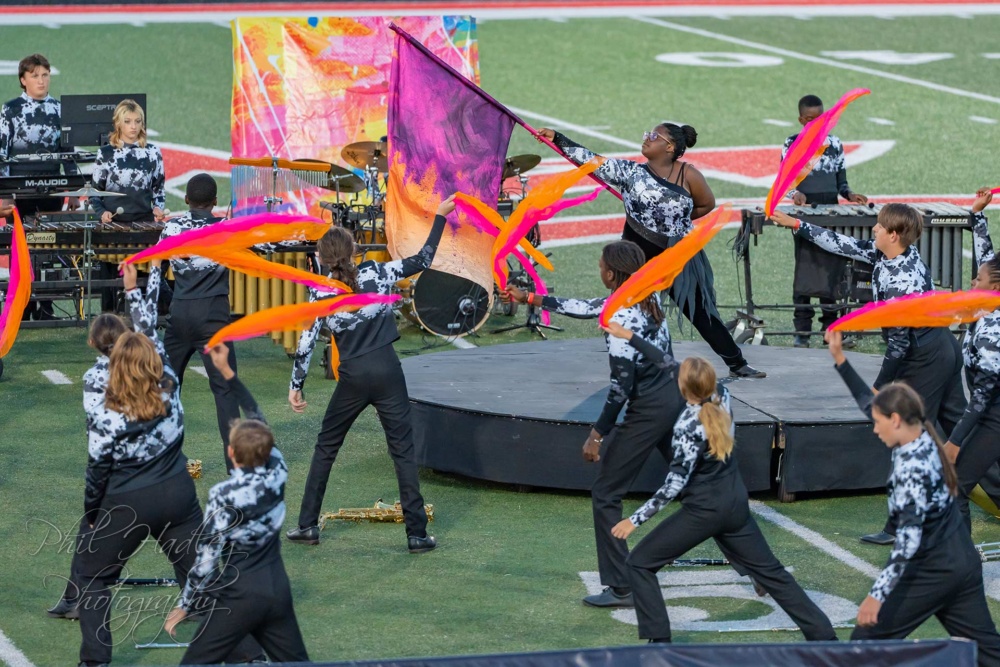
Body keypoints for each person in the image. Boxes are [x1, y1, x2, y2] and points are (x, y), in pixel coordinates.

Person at [75, 263, 263, 666]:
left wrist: (92, 513)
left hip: (125, 500)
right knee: (205, 579)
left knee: (92, 577)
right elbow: (148, 334)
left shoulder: (101, 391)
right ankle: (248, 655)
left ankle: (94, 661)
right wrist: (134, 290)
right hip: (177, 493)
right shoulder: (168, 378)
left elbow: (98, 461)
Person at [603, 334, 837, 643]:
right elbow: (669, 363)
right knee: (773, 574)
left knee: (639, 564)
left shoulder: (687, 424)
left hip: (704, 511)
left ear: (684, 388)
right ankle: (825, 638)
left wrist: (634, 521)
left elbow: (675, 483)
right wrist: (631, 336)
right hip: (735, 505)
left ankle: (659, 644)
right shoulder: (722, 397)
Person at [770, 203, 967, 545]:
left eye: (878, 226)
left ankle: (897, 527)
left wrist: (879, 386)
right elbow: (842, 244)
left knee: (907, 438)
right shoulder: (888, 254)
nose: (872, 229)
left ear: (894, 235)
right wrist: (797, 224)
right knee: (961, 429)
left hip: (926, 358)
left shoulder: (900, 280)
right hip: (941, 346)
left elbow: (899, 345)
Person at [504, 240, 685, 608]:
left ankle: (621, 586)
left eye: (601, 266)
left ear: (611, 274)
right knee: (697, 483)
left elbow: (620, 389)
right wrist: (530, 298)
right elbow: (587, 307)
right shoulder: (646, 295)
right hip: (675, 397)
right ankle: (753, 564)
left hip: (648, 410)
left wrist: (597, 434)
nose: (598, 270)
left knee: (606, 494)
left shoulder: (619, 319)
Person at [284, 197, 456, 552]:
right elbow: (423, 259)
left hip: (353, 376)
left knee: (326, 447)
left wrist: (296, 386)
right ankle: (416, 534)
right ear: (353, 250)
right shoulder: (376, 272)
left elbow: (306, 343)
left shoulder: (321, 291)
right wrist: (439, 217)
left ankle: (307, 526)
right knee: (402, 451)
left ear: (322, 259)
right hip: (388, 369)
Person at [535, 124, 765, 379]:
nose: (646, 138)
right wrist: (558, 138)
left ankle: (737, 363)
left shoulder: (688, 174)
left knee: (702, 313)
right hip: (635, 260)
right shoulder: (630, 172)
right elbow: (591, 160)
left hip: (676, 258)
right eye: (647, 134)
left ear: (670, 147)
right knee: (623, 311)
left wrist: (677, 223)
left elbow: (706, 204)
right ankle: (628, 367)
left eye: (654, 136)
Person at [827, 330, 1000, 666]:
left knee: (864, 643)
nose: (873, 428)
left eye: (878, 423)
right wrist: (839, 359)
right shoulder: (923, 437)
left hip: (934, 570)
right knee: (988, 653)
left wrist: (876, 596)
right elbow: (868, 403)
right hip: (963, 563)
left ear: (895, 420)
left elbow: (907, 540)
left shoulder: (911, 467)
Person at [164, 344, 309, 664]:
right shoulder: (278, 471)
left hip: (241, 594)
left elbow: (206, 560)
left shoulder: (223, 494)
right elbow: (257, 417)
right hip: (277, 588)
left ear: (231, 454)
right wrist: (229, 373)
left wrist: (185, 606)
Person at [46, 313, 128, 621]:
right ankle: (201, 596)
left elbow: (98, 431)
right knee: (178, 532)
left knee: (92, 532)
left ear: (91, 342)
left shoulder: (94, 376)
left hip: (113, 468)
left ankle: (77, 598)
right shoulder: (142, 366)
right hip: (149, 465)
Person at [159, 173, 243, 471]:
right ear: (215, 201)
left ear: (186, 200)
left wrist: (171, 300)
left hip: (180, 317)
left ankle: (160, 463)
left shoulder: (171, 227)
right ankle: (236, 472)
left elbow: (156, 272)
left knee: (165, 389)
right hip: (214, 320)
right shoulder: (226, 229)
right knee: (226, 393)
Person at [782, 94, 868, 348]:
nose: (816, 123)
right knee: (805, 271)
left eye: (820, 118)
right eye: (810, 119)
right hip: (804, 214)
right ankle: (802, 330)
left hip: (831, 214)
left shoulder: (835, 143)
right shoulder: (792, 143)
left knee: (833, 272)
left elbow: (841, 182)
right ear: (801, 120)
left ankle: (830, 327)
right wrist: (795, 194)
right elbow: (784, 182)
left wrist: (850, 194)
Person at [0, 53, 80, 319]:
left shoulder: (60, 109)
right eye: (35, 76)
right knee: (20, 248)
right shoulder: (10, 109)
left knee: (48, 246)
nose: (41, 80)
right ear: (23, 80)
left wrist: (73, 192)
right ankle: (22, 307)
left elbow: (68, 154)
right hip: (19, 190)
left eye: (45, 75)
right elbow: (1, 154)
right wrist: (4, 194)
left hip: (52, 189)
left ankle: (45, 306)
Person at [945, 188, 1000, 531]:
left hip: (993, 419)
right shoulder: (988, 308)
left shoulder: (993, 330)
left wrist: (954, 441)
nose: (971, 282)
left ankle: (961, 559)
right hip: (990, 417)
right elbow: (989, 264)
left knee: (956, 487)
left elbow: (981, 397)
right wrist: (977, 216)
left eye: (977, 280)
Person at [88, 98, 165, 312]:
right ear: (118, 124)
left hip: (144, 223)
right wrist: (102, 212)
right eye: (128, 121)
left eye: (137, 121)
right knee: (109, 275)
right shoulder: (106, 153)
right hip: (114, 225)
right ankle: (109, 314)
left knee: (145, 275)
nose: (133, 126)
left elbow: (158, 189)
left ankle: (145, 313)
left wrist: (158, 207)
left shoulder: (153, 152)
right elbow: (95, 193)